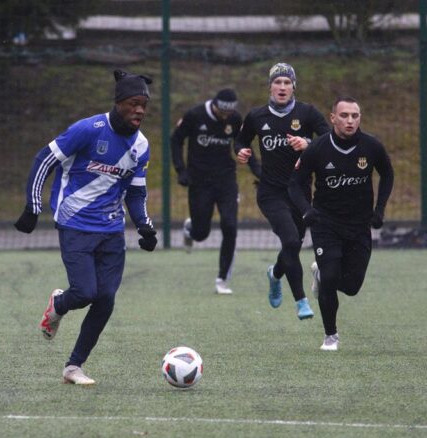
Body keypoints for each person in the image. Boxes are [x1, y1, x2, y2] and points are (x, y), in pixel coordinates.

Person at [13, 69, 158, 384]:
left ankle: (74, 367)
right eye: (133, 104)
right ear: (118, 102)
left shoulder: (141, 145)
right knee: (84, 292)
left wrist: (145, 226)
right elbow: (44, 160)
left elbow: (136, 193)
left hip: (112, 230)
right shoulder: (88, 129)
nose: (140, 110)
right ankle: (58, 304)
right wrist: (32, 207)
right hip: (74, 222)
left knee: (105, 298)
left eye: (144, 105)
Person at [289, 96, 394, 351]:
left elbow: (388, 174)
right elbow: (294, 184)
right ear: (333, 118)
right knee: (331, 276)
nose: (350, 120)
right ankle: (330, 337)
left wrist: (379, 210)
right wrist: (306, 211)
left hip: (359, 225)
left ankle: (320, 274)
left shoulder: (372, 147)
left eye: (355, 116)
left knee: (352, 286)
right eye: (344, 115)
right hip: (326, 223)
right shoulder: (317, 149)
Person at [236, 62, 330, 319]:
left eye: (287, 82)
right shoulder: (257, 116)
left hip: (300, 193)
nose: (282, 87)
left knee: (293, 246)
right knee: (289, 240)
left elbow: (329, 140)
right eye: (277, 82)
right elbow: (241, 140)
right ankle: (301, 302)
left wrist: (308, 143)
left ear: (293, 87)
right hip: (270, 192)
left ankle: (275, 273)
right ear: (270, 87)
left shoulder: (308, 113)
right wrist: (242, 152)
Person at [171, 88, 256, 295]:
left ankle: (222, 280)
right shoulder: (195, 115)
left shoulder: (234, 118)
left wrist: (257, 169)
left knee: (230, 225)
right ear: (215, 105)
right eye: (222, 112)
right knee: (201, 234)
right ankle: (190, 229)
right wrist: (181, 170)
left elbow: (241, 143)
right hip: (200, 182)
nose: (225, 116)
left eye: (229, 113)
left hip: (226, 180)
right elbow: (176, 140)